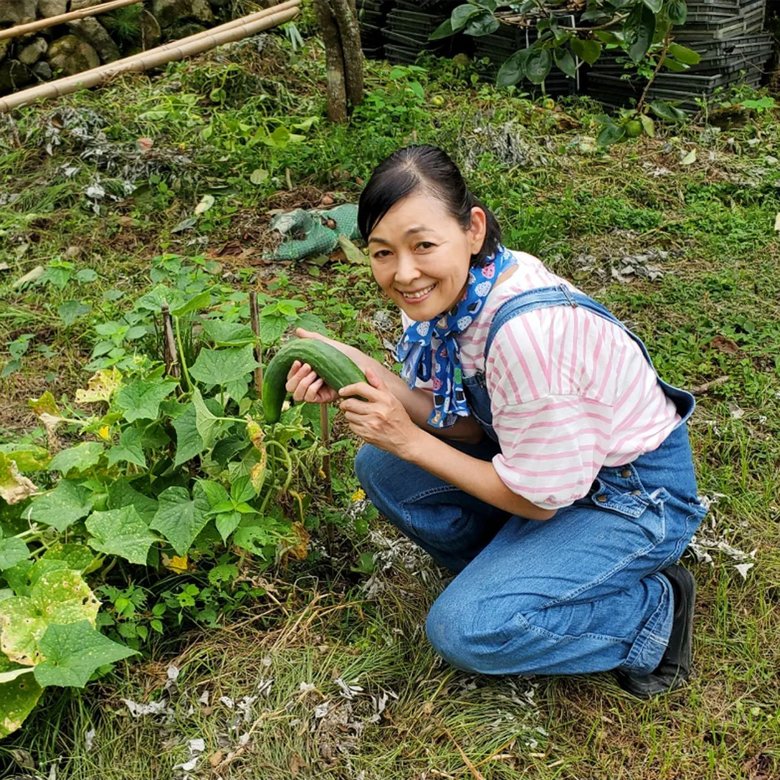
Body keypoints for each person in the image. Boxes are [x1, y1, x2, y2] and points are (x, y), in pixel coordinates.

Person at [285, 144, 708, 697]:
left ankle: (652, 612)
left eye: (423, 245)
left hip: (632, 496)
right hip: (551, 470)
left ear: (473, 230)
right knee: (382, 467)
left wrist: (408, 439)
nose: (403, 273)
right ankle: (519, 575)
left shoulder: (526, 334)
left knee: (467, 631)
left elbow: (540, 501)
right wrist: (365, 372)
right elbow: (465, 426)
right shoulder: (454, 293)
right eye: (382, 252)